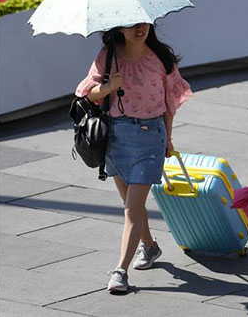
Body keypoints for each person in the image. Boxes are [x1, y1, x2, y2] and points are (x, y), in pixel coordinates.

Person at [75, 23, 192, 293]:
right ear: (120, 28)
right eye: (131, 24)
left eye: (143, 23)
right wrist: (108, 87)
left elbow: (170, 105)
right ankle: (150, 247)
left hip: (151, 136)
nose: (139, 29)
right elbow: (87, 94)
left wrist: (169, 139)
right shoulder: (108, 55)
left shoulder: (162, 60)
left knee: (132, 208)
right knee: (131, 203)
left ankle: (120, 272)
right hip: (115, 137)